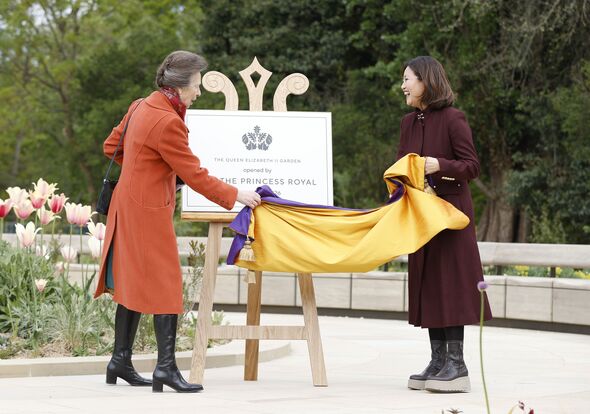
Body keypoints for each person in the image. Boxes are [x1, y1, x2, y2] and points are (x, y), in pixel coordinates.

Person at [94, 50, 261, 393]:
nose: (198, 92)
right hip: (147, 210)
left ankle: (120, 360)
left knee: (131, 280)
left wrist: (144, 168)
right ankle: (165, 369)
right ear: (179, 86)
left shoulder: (141, 105)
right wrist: (237, 195)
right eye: (196, 85)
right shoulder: (168, 122)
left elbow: (112, 146)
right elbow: (195, 175)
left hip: (127, 204)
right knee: (167, 283)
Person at [396, 56, 492, 393]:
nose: (403, 86)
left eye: (408, 79)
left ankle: (457, 365)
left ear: (426, 81)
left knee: (450, 284)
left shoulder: (453, 118)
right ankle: (438, 361)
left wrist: (441, 166)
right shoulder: (408, 123)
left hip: (451, 217)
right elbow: (403, 166)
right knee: (429, 283)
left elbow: (471, 166)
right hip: (421, 218)